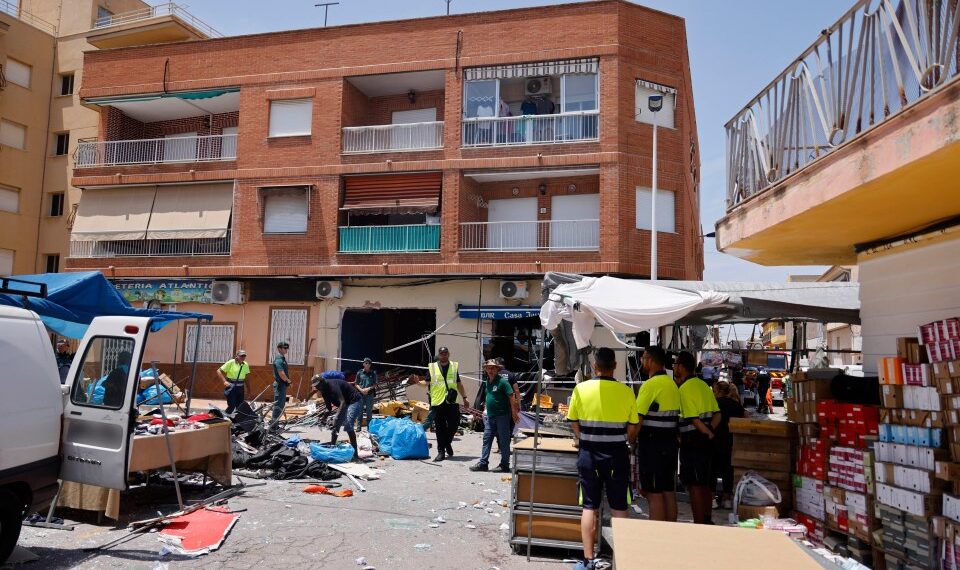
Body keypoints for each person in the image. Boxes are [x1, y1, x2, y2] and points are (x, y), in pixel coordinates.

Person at [567, 348, 639, 570]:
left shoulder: (580, 389)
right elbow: (633, 426)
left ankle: (588, 560)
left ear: (594, 366)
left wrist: (584, 437)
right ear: (615, 366)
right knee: (619, 506)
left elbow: (573, 421)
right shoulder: (626, 392)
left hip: (589, 454)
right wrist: (625, 438)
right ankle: (622, 560)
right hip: (617, 455)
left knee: (590, 506)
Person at [634, 345, 681, 522]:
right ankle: (670, 531)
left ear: (651, 361)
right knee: (668, 490)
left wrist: (630, 438)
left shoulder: (650, 385)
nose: (641, 361)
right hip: (670, 444)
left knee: (654, 493)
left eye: (643, 358)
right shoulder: (672, 384)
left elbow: (637, 418)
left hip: (653, 446)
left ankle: (656, 533)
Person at [675, 351, 721, 524]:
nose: (674, 368)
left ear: (681, 367)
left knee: (694, 485)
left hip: (693, 441)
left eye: (676, 365)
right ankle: (707, 520)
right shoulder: (703, 386)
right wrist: (711, 430)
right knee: (706, 483)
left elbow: (693, 419)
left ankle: (699, 523)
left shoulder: (684, 389)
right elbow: (718, 414)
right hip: (708, 442)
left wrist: (706, 432)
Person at [408, 347, 467, 462]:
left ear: (448, 354)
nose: (443, 355)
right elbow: (426, 382)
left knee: (454, 424)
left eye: (445, 353)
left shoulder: (453, 366)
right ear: (439, 355)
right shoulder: (433, 367)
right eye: (441, 353)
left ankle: (447, 443)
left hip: (451, 400)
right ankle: (441, 452)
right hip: (437, 401)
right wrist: (418, 382)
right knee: (440, 428)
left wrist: (465, 397)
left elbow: (459, 384)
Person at [310, 370, 373, 461]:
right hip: (345, 403)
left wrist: (336, 417)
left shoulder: (332, 386)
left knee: (348, 425)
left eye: (318, 386)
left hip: (354, 401)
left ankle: (355, 455)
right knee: (335, 427)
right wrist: (323, 418)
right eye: (316, 387)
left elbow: (342, 402)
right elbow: (328, 408)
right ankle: (332, 450)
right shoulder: (324, 391)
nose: (317, 388)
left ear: (322, 382)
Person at [470, 359, 519, 473]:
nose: (491, 370)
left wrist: (514, 412)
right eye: (488, 368)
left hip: (502, 415)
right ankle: (483, 463)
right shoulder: (487, 382)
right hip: (491, 416)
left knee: (504, 440)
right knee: (487, 439)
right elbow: (487, 396)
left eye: (493, 368)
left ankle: (504, 465)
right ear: (485, 370)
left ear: (497, 369)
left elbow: (512, 396)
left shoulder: (503, 382)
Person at [712, 380, 745, 509]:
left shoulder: (714, 403)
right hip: (730, 440)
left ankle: (712, 498)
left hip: (714, 440)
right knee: (728, 470)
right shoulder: (736, 405)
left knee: (712, 470)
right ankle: (727, 499)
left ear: (718, 391)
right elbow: (744, 420)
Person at [217, 350, 251, 415]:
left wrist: (249, 390)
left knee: (240, 407)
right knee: (232, 406)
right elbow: (219, 371)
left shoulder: (245, 364)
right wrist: (224, 381)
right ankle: (224, 417)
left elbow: (246, 378)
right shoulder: (231, 362)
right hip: (231, 388)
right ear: (237, 356)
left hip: (240, 388)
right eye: (241, 356)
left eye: (244, 356)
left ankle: (237, 420)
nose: (243, 357)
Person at [270, 341, 292, 431]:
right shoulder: (279, 360)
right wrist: (288, 381)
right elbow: (281, 373)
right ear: (279, 349)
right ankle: (273, 427)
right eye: (284, 348)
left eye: (287, 348)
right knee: (278, 405)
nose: (286, 350)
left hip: (282, 385)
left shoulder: (282, 359)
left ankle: (275, 425)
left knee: (281, 405)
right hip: (279, 385)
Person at [355, 357, 378, 431]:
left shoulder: (373, 373)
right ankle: (359, 427)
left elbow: (375, 384)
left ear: (370, 365)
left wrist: (368, 388)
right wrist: (361, 390)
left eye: (369, 363)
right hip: (361, 394)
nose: (367, 364)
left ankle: (369, 427)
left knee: (369, 412)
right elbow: (356, 384)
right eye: (366, 363)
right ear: (363, 364)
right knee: (359, 411)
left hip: (369, 394)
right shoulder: (359, 373)